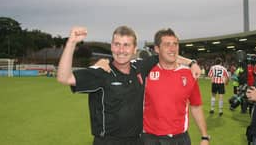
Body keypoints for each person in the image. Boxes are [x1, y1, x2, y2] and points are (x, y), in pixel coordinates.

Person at [57, 26, 200, 145]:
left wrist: (191, 63)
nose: (121, 50)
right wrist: (71, 44)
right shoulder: (101, 72)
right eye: (117, 44)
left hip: (138, 140)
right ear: (112, 46)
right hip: (108, 141)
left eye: (126, 45)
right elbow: (64, 77)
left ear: (134, 49)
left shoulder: (140, 67)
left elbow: (167, 54)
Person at [142, 28, 209, 145]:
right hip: (150, 139)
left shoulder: (189, 74)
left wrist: (204, 137)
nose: (172, 48)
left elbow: (196, 106)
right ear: (157, 49)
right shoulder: (145, 72)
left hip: (180, 139)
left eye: (175, 44)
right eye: (167, 44)